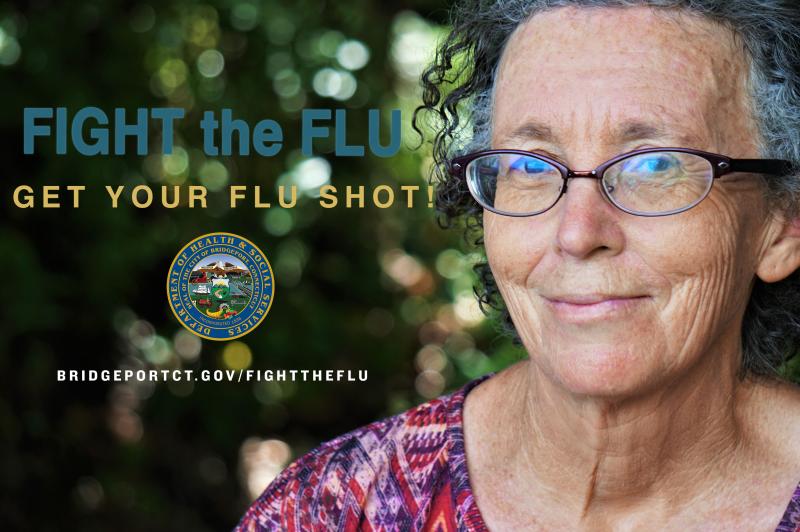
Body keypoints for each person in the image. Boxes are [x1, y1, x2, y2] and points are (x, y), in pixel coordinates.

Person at [237, 1, 800, 530]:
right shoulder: (330, 511)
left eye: (654, 165)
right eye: (528, 166)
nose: (578, 233)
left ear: (782, 226)